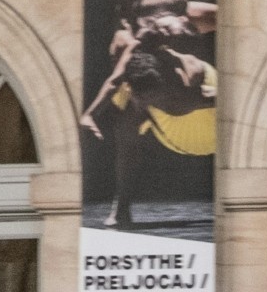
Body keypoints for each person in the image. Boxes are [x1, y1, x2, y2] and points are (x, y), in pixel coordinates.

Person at [78, 28, 217, 230]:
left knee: (133, 107)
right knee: (128, 114)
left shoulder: (185, 87)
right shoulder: (134, 50)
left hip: (205, 131)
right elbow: (113, 82)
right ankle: (121, 210)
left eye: (152, 99)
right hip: (169, 124)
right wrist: (89, 114)